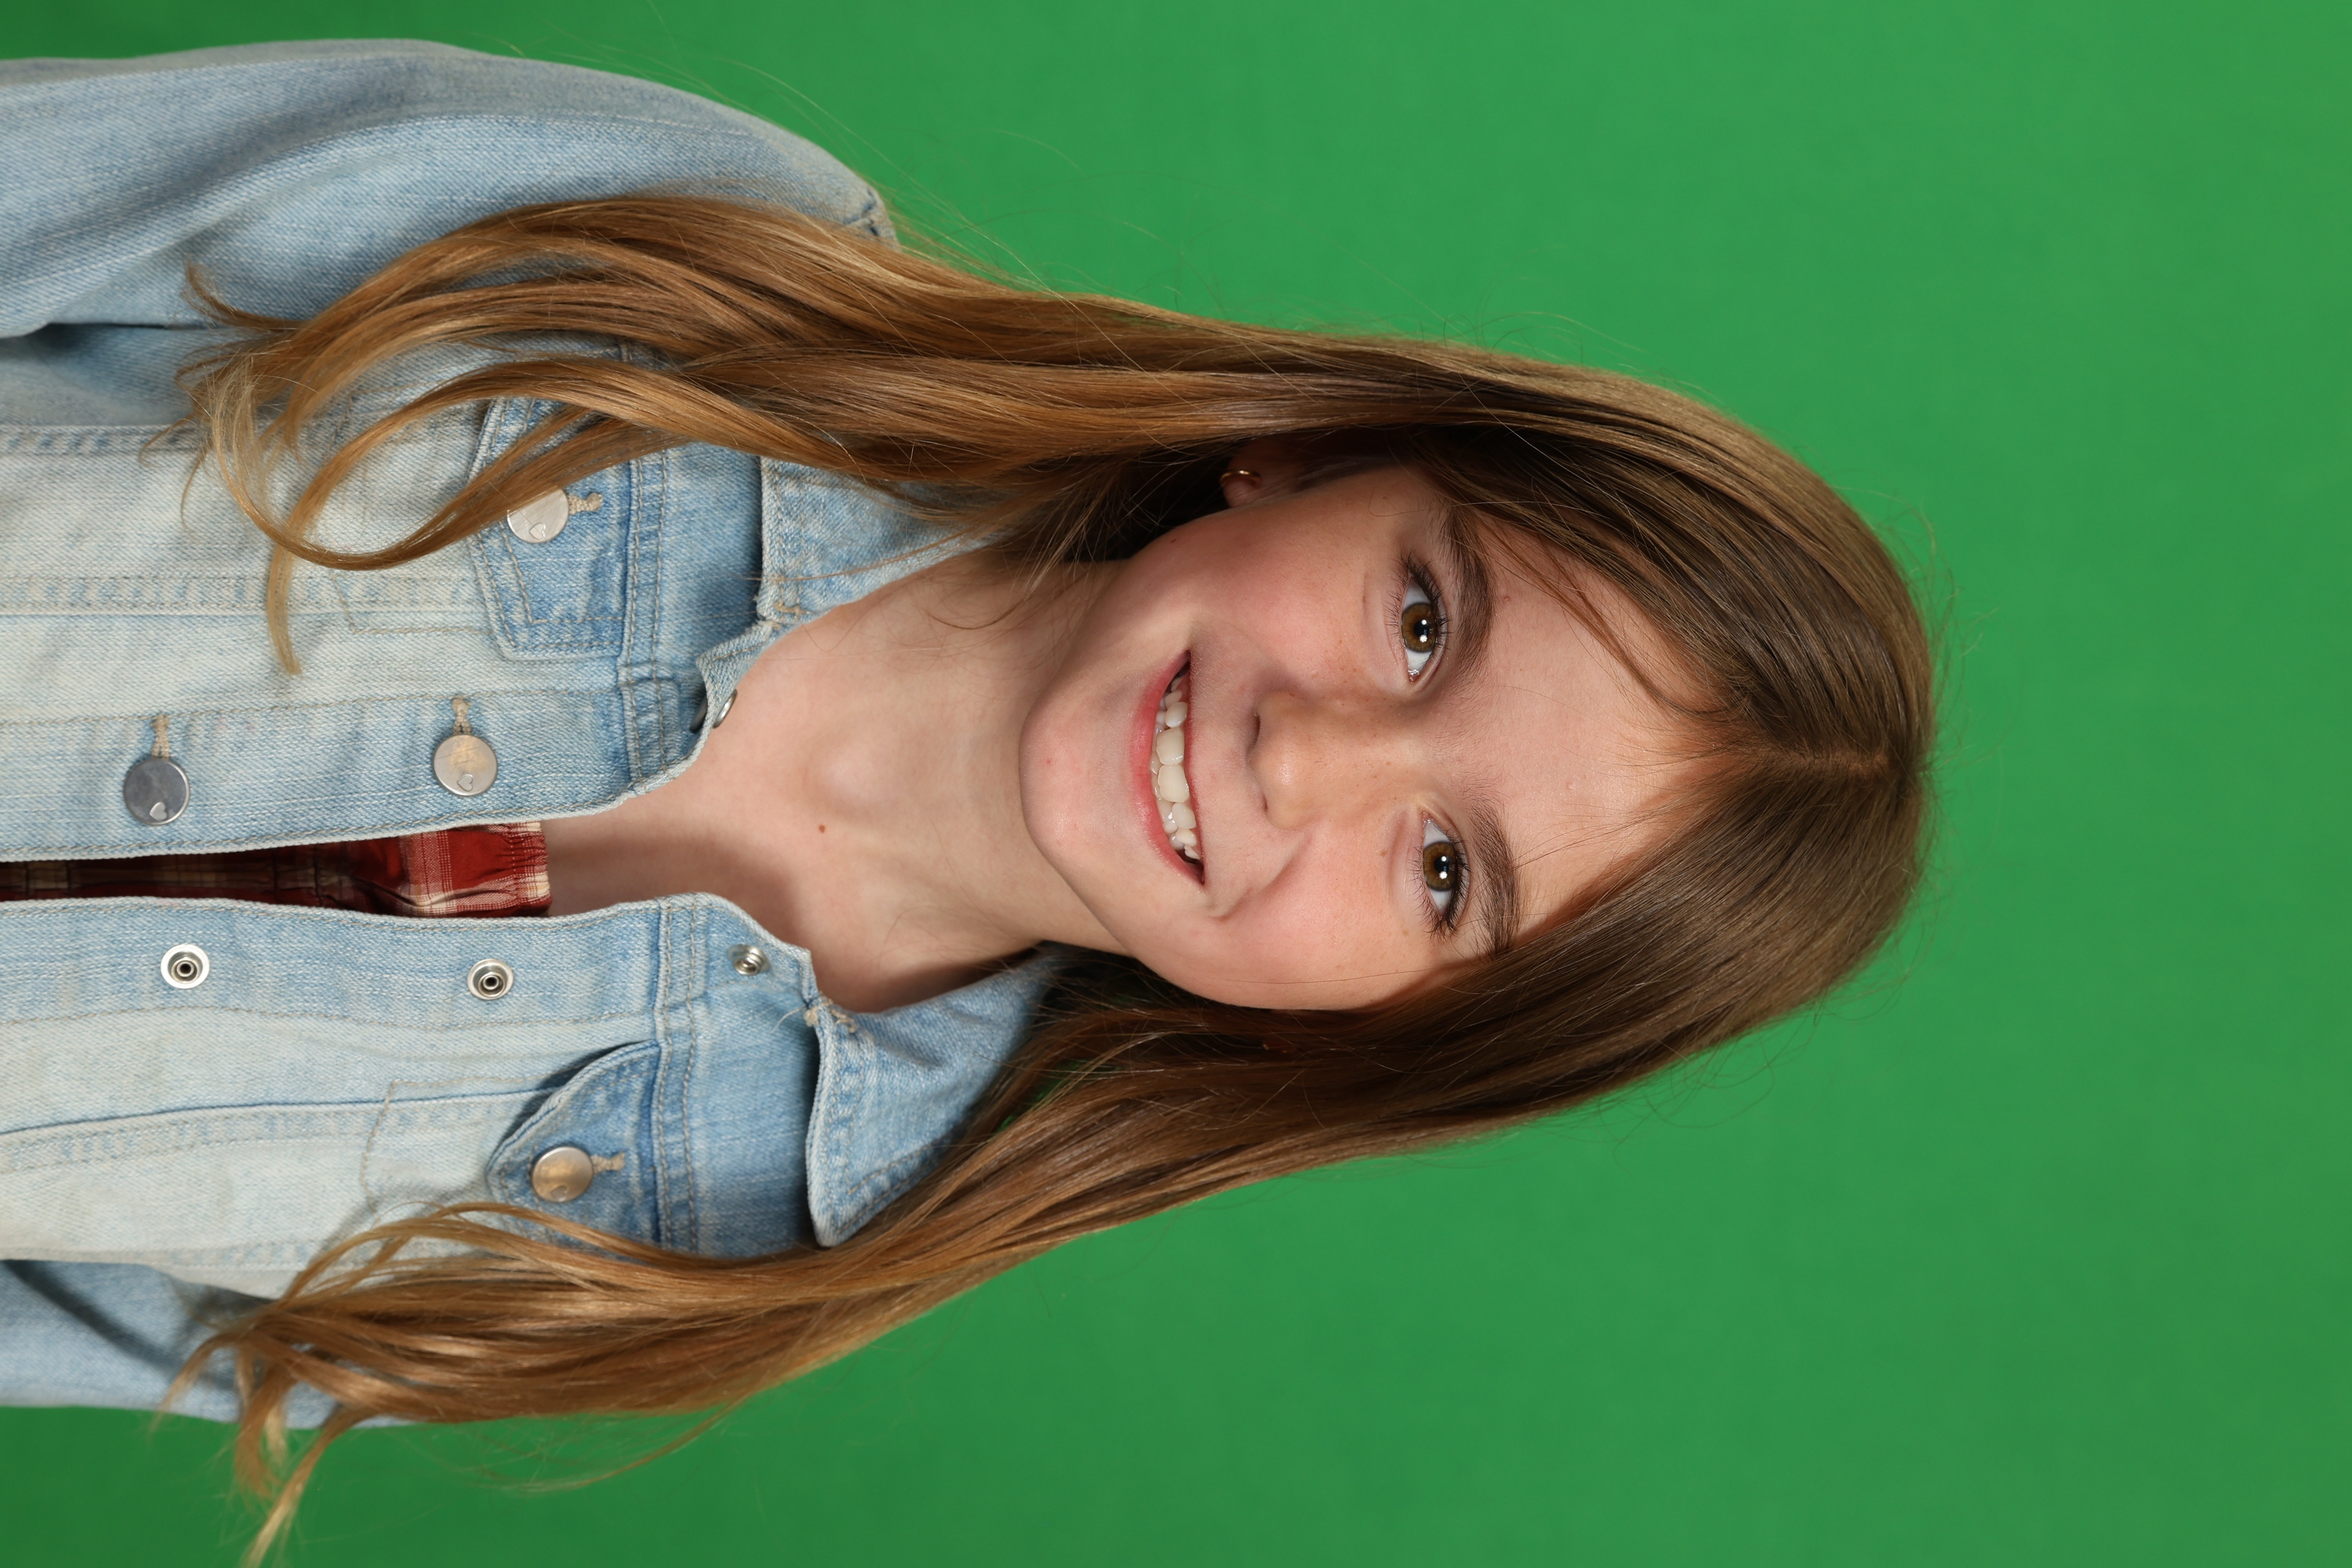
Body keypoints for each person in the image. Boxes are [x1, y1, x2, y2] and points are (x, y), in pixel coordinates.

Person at [0, 39, 1934, 1549]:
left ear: (1392, 1028)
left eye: (1444, 874)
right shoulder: (707, 267)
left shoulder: (742, 1242)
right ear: (1316, 457)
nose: (1307, 754)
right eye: (1424, 621)